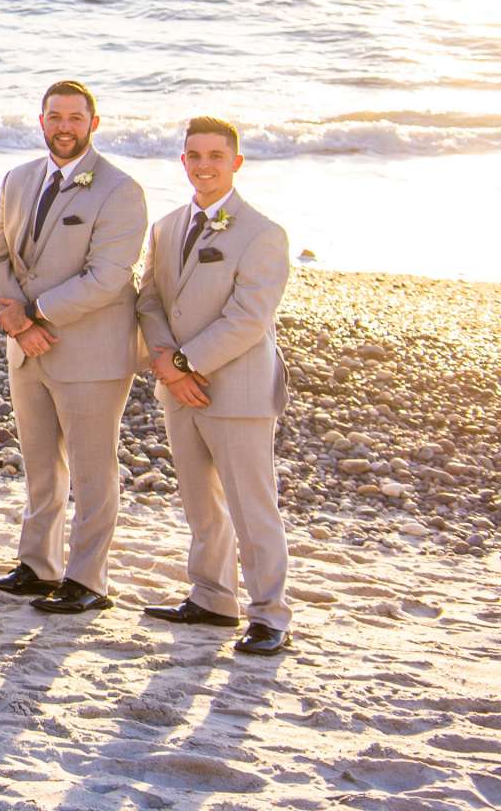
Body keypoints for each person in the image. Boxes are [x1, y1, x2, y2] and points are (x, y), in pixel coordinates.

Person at [0, 80, 147, 615]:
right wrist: (13, 317)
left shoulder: (121, 190)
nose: (64, 127)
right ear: (41, 120)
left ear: (93, 124)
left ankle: (89, 578)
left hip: (90, 350)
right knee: (41, 464)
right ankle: (38, 565)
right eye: (55, 117)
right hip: (28, 346)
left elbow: (108, 277)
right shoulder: (19, 178)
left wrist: (35, 314)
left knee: (93, 469)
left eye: (75, 118)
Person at [136, 117, 293, 657]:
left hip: (239, 388)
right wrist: (165, 362)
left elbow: (250, 317)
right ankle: (212, 597)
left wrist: (183, 361)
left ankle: (270, 614)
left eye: (215, 156)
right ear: (183, 161)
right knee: (200, 502)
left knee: (252, 506)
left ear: (236, 163)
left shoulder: (263, 233)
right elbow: (150, 299)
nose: (204, 165)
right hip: (178, 386)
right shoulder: (166, 226)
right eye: (194, 155)